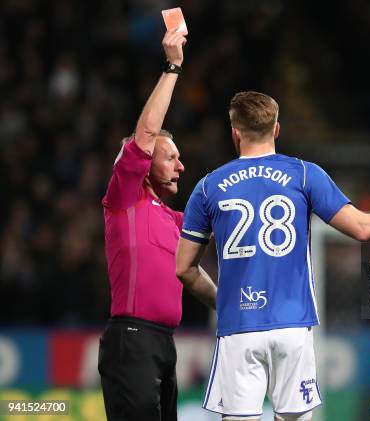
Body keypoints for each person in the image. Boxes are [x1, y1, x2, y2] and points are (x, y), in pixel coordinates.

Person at [175, 91, 370, 421]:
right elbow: (362, 227)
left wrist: (223, 301)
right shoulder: (304, 175)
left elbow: (185, 269)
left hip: (238, 327)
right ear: (276, 129)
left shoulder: (208, 187)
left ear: (234, 132)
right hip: (292, 324)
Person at [98, 30, 216, 421]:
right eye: (171, 158)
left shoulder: (176, 220)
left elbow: (225, 231)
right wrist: (173, 66)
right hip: (130, 341)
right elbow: (146, 133)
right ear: (145, 164)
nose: (181, 165)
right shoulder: (124, 199)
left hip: (165, 346)